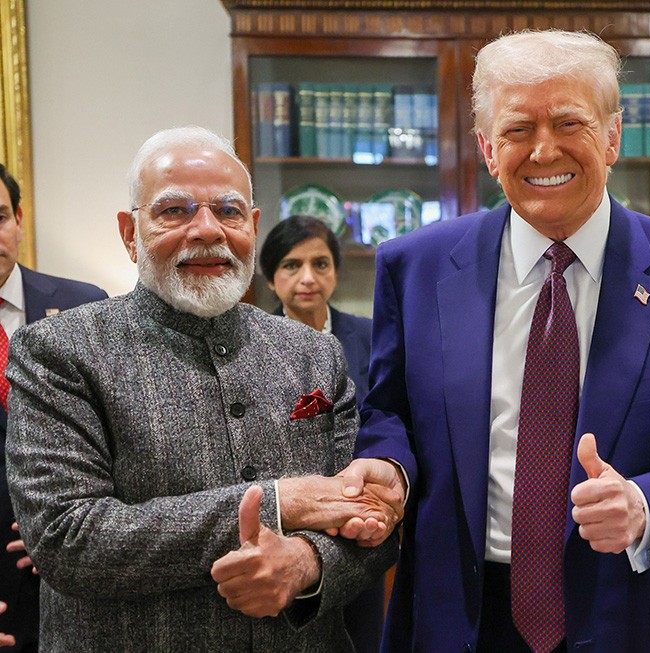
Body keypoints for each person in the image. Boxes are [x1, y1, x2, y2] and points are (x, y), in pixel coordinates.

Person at [340, 30, 650, 652]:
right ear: (488, 149)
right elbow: (389, 411)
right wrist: (389, 465)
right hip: (459, 621)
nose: (544, 149)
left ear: (612, 137)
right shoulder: (414, 268)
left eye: (569, 122)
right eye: (518, 129)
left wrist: (646, 505)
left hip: (641, 619)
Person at [4, 126, 399, 652]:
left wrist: (306, 564)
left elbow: (372, 521)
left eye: (228, 211)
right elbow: (67, 538)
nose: (207, 230)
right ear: (130, 233)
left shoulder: (315, 353)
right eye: (174, 210)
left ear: (252, 226)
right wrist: (281, 502)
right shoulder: (59, 351)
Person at [260, 215, 382, 652]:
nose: (308, 278)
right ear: (271, 279)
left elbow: (388, 417)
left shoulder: (370, 336)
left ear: (335, 272)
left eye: (321, 264)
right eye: (291, 265)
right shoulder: (254, 346)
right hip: (288, 527)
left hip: (362, 523)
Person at [0, 163, 107, 652]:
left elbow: (120, 437)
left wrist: (63, 534)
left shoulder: (84, 307)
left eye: (0, 217)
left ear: (19, 220)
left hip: (76, 573)